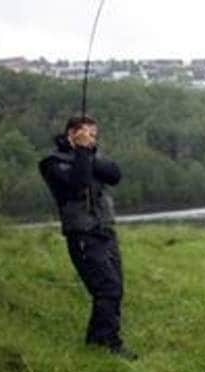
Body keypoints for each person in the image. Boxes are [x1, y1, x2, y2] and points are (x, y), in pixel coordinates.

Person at [38, 115, 137, 359]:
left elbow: (114, 174)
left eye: (95, 135)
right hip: (83, 234)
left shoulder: (91, 156)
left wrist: (88, 152)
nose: (93, 139)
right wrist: (82, 151)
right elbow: (77, 185)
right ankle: (109, 343)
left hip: (105, 231)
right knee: (107, 288)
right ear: (72, 133)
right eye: (88, 134)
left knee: (115, 288)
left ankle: (97, 341)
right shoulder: (52, 163)